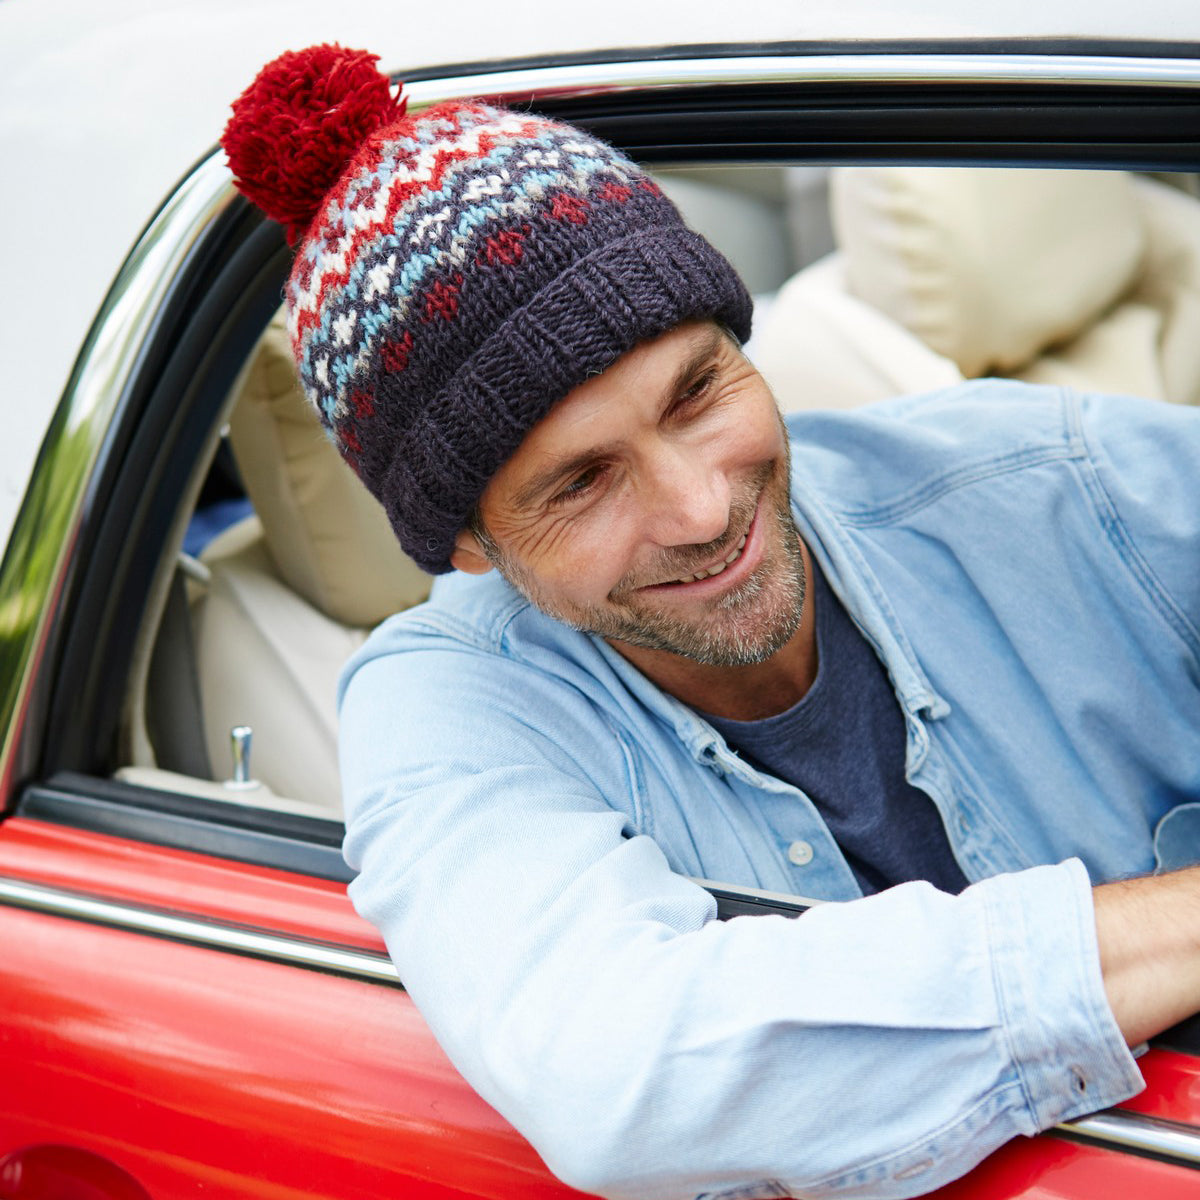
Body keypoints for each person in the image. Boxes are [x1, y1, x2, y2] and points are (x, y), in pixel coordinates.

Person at [223, 45, 1200, 1200]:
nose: (701, 507)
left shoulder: (1052, 481)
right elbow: (621, 1071)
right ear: (475, 547)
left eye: (698, 394)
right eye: (581, 483)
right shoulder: (446, 701)